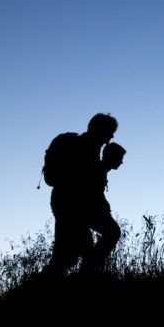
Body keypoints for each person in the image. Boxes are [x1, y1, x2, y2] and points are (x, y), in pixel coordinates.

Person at [43, 113, 123, 277]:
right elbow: (84, 183)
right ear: (99, 130)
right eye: (109, 133)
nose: (110, 137)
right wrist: (106, 166)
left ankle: (83, 276)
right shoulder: (87, 147)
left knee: (67, 256)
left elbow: (88, 182)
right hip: (73, 206)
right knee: (69, 256)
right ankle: (85, 278)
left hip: (65, 203)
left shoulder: (89, 147)